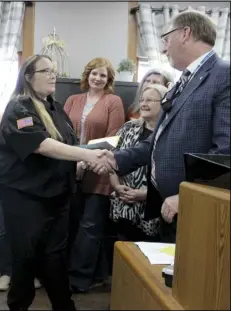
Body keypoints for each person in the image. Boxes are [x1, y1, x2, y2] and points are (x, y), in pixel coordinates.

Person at [91, 10, 230, 243]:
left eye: (166, 38)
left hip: (194, 208)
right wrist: (115, 159)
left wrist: (186, 196)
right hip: (167, 208)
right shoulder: (182, 83)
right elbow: (155, 143)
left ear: (185, 33)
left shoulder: (223, 75)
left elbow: (225, 153)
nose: (164, 47)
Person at [0, 54, 107, 311]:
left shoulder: (56, 108)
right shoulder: (20, 107)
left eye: (53, 70)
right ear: (29, 78)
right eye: (45, 71)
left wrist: (82, 160)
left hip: (57, 197)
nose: (52, 75)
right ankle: (18, 306)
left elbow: (65, 146)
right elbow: (41, 145)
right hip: (25, 198)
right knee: (26, 260)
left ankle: (64, 306)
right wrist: (87, 154)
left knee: (56, 258)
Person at [64, 57, 125, 293]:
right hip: (71, 170)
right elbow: (64, 134)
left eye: (103, 75)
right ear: (87, 75)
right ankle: (98, 273)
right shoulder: (72, 100)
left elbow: (113, 139)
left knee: (89, 227)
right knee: (74, 225)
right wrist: (75, 160)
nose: (98, 78)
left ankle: (78, 281)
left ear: (108, 80)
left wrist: (86, 161)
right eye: (94, 74)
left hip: (98, 172)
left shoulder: (113, 101)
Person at [110, 84, 168, 242]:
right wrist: (116, 186)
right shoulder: (128, 128)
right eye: (142, 100)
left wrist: (145, 195)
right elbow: (113, 161)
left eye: (149, 100)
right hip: (124, 206)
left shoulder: (169, 133)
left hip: (152, 212)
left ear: (164, 102)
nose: (143, 104)